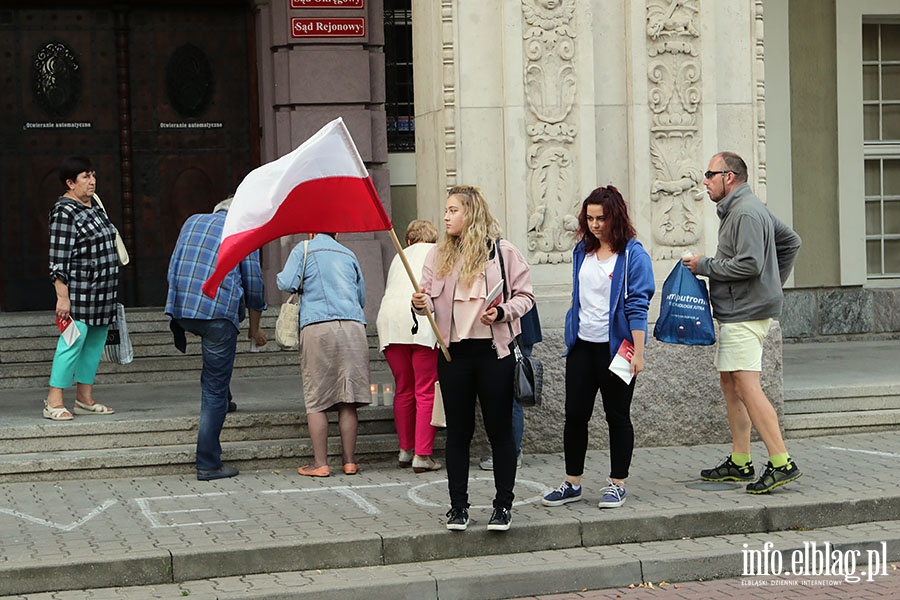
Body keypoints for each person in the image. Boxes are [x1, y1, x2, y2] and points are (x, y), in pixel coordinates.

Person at [412, 185, 534, 532]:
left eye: (453, 210)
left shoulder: (502, 252)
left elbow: (526, 296)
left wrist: (503, 313)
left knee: (500, 432)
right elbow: (430, 304)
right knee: (458, 434)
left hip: (495, 353)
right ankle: (457, 508)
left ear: (472, 213)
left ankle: (503, 506)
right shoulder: (437, 256)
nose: (447, 216)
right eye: (446, 210)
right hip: (454, 354)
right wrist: (420, 305)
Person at [682, 151, 802, 494]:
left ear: (729, 176)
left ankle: (781, 462)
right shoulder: (747, 207)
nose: (705, 181)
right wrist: (772, 284)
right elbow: (791, 241)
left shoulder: (746, 212)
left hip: (744, 313)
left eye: (710, 174)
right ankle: (740, 460)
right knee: (731, 383)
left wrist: (704, 265)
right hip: (745, 310)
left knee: (747, 386)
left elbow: (748, 264)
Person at [542, 185, 655, 510]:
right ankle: (572, 482)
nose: (594, 224)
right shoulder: (583, 251)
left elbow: (637, 305)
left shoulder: (633, 255)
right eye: (589, 218)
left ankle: (617, 483)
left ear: (615, 217)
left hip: (619, 349)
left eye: (601, 218)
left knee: (617, 415)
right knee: (575, 415)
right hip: (582, 346)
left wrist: (639, 352)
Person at [166, 197, 268, 481]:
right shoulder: (241, 230)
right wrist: (255, 329)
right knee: (212, 389)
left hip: (183, 307)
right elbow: (255, 286)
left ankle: (227, 398)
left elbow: (176, 263)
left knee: (216, 373)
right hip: (216, 313)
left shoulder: (192, 221)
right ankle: (209, 463)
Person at [277, 233, 371, 477]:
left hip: (318, 326)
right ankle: (349, 462)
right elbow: (361, 297)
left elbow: (285, 282)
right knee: (348, 397)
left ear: (312, 231)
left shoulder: (304, 249)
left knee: (316, 398)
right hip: (352, 327)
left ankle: (321, 464)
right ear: (336, 233)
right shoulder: (348, 253)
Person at [44, 155, 120, 420]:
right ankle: (54, 400)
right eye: (85, 177)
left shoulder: (94, 206)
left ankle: (84, 398)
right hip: (79, 292)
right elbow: (58, 258)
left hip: (103, 292)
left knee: (94, 344)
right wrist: (62, 298)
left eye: (93, 175)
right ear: (70, 182)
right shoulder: (64, 211)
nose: (92, 181)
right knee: (72, 342)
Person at [376, 220, 442, 473]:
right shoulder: (436, 253)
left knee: (403, 388)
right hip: (421, 323)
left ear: (409, 239)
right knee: (425, 390)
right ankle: (422, 455)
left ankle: (405, 449)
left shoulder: (399, 256)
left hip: (391, 323)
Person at [479, 303, 542, 471]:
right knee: (510, 393)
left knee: (512, 392)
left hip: (515, 332)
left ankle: (512, 454)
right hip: (516, 330)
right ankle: (511, 452)